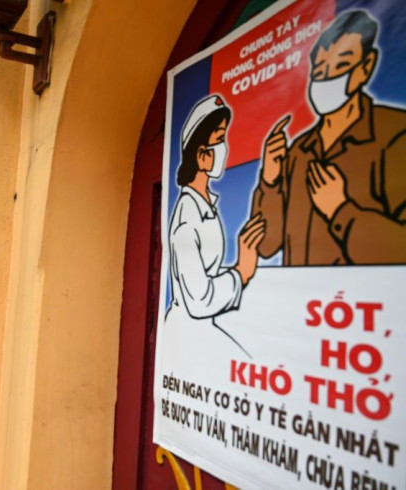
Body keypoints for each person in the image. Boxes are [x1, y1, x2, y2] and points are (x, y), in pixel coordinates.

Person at [251, 9, 406, 265]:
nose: (328, 78)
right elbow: (266, 245)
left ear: (366, 67)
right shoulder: (300, 149)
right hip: (299, 303)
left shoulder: (394, 133)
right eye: (321, 71)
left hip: (357, 304)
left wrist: (340, 211)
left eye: (342, 65)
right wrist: (270, 180)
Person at [165, 95, 265, 354]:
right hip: (189, 334)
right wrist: (242, 271)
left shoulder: (206, 205)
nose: (225, 148)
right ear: (201, 155)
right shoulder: (187, 218)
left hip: (202, 327)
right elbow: (199, 299)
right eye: (219, 139)